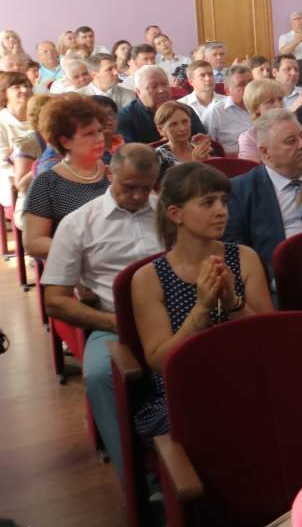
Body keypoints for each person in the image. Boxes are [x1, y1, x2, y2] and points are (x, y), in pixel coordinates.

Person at [42, 144, 162, 476]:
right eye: (129, 187)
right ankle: (136, 477)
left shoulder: (168, 213)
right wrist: (113, 322)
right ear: (110, 174)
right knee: (99, 375)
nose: (138, 197)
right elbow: (55, 300)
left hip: (173, 315)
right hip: (114, 322)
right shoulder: (79, 223)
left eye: (146, 188)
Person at [131, 162, 272, 438]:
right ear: (176, 214)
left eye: (223, 201)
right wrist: (202, 309)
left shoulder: (244, 257)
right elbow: (160, 361)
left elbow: (268, 338)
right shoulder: (148, 278)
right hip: (183, 389)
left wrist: (233, 303)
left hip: (245, 380)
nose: (221, 211)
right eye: (208, 203)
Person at [225, 109, 302, 283]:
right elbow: (234, 255)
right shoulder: (240, 191)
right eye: (291, 141)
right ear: (265, 153)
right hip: (282, 284)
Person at [22, 95, 112, 259]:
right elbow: (33, 243)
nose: (100, 138)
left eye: (99, 131)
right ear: (65, 142)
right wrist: (85, 248)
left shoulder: (113, 170)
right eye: (89, 133)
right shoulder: (47, 182)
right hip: (77, 264)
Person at [116, 64, 201, 145]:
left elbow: (201, 140)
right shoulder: (125, 116)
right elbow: (127, 151)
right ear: (138, 92)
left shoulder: (184, 110)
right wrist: (165, 144)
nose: (161, 90)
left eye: (165, 84)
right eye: (153, 86)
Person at [0, 71, 33, 210]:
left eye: (27, 86)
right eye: (16, 87)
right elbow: (3, 162)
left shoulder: (41, 117)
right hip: (13, 179)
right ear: (4, 93)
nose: (24, 90)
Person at [154, 100, 214, 175]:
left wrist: (209, 155)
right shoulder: (157, 157)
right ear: (160, 130)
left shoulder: (200, 148)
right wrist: (195, 163)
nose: (182, 128)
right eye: (174, 124)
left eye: (185, 122)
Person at [236, 78, 287, 164]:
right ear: (256, 108)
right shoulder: (248, 138)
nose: (278, 105)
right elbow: (254, 170)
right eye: (270, 102)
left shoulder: (293, 129)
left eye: (280, 99)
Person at [205, 65, 253, 157]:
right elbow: (210, 150)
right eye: (241, 84)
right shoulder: (215, 112)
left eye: (251, 83)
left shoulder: (262, 106)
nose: (249, 88)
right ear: (227, 91)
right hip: (234, 162)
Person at [178, 59, 219, 127]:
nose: (208, 79)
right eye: (202, 75)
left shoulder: (227, 102)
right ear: (191, 82)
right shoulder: (180, 105)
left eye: (210, 74)